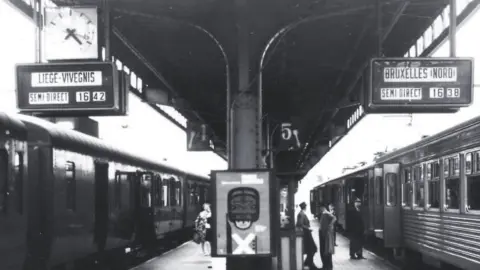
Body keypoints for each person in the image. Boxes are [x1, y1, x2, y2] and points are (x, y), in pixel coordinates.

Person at [296, 202, 320, 270]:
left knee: (312, 249)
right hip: (306, 234)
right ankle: (310, 264)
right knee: (313, 249)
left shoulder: (301, 214)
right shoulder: (301, 214)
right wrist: (308, 228)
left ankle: (308, 262)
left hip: (306, 234)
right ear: (305, 207)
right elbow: (300, 224)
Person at [319, 203, 336, 270]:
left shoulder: (326, 213)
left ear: (323, 207)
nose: (320, 209)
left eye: (320, 208)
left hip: (325, 234)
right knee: (325, 250)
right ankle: (327, 266)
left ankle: (327, 266)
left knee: (325, 250)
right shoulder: (324, 213)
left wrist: (330, 225)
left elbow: (334, 218)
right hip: (324, 233)